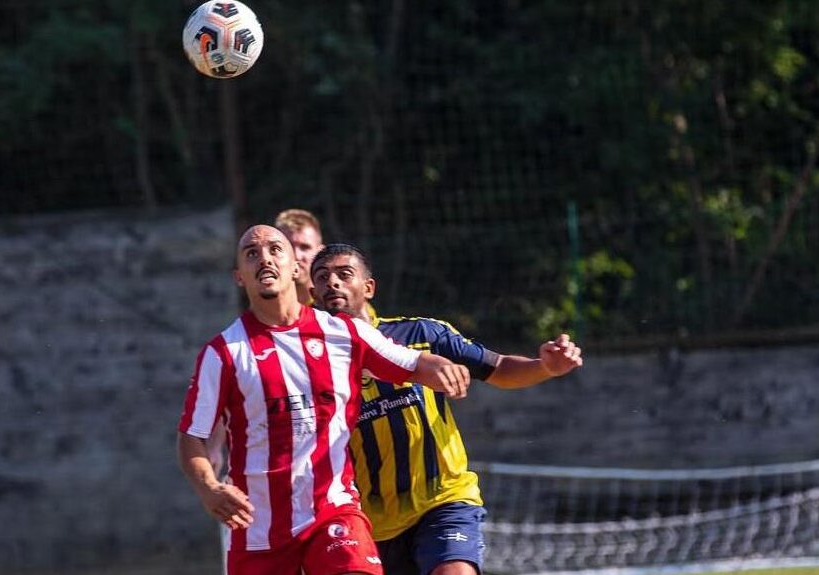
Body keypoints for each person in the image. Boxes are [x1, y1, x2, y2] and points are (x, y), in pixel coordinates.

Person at [176, 225, 474, 575]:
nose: (264, 258)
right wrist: (209, 487)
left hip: (333, 509)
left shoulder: (343, 332)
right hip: (258, 526)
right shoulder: (223, 353)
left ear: (296, 269)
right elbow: (191, 436)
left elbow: (408, 363)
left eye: (275, 249)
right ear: (239, 277)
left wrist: (438, 365)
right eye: (251, 254)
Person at [310, 243, 584, 575]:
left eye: (344, 274)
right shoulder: (309, 362)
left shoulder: (421, 335)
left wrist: (545, 367)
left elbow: (498, 368)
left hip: (443, 499)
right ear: (312, 293)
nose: (333, 283)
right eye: (322, 277)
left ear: (369, 287)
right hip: (368, 519)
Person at [275, 208, 325, 305]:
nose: (297, 256)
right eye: (288, 246)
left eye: (305, 247)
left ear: (320, 253)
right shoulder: (265, 312)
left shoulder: (334, 311)